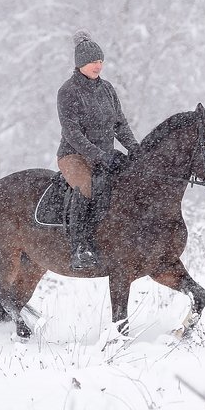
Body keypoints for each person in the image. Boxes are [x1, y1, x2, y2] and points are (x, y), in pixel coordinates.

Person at [57, 30, 139, 269]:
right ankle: (79, 248)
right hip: (74, 155)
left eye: (101, 61)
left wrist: (135, 148)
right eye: (93, 61)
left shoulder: (108, 89)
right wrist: (99, 155)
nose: (98, 66)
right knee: (86, 188)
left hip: (105, 155)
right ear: (80, 63)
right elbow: (72, 133)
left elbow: (120, 124)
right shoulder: (68, 91)